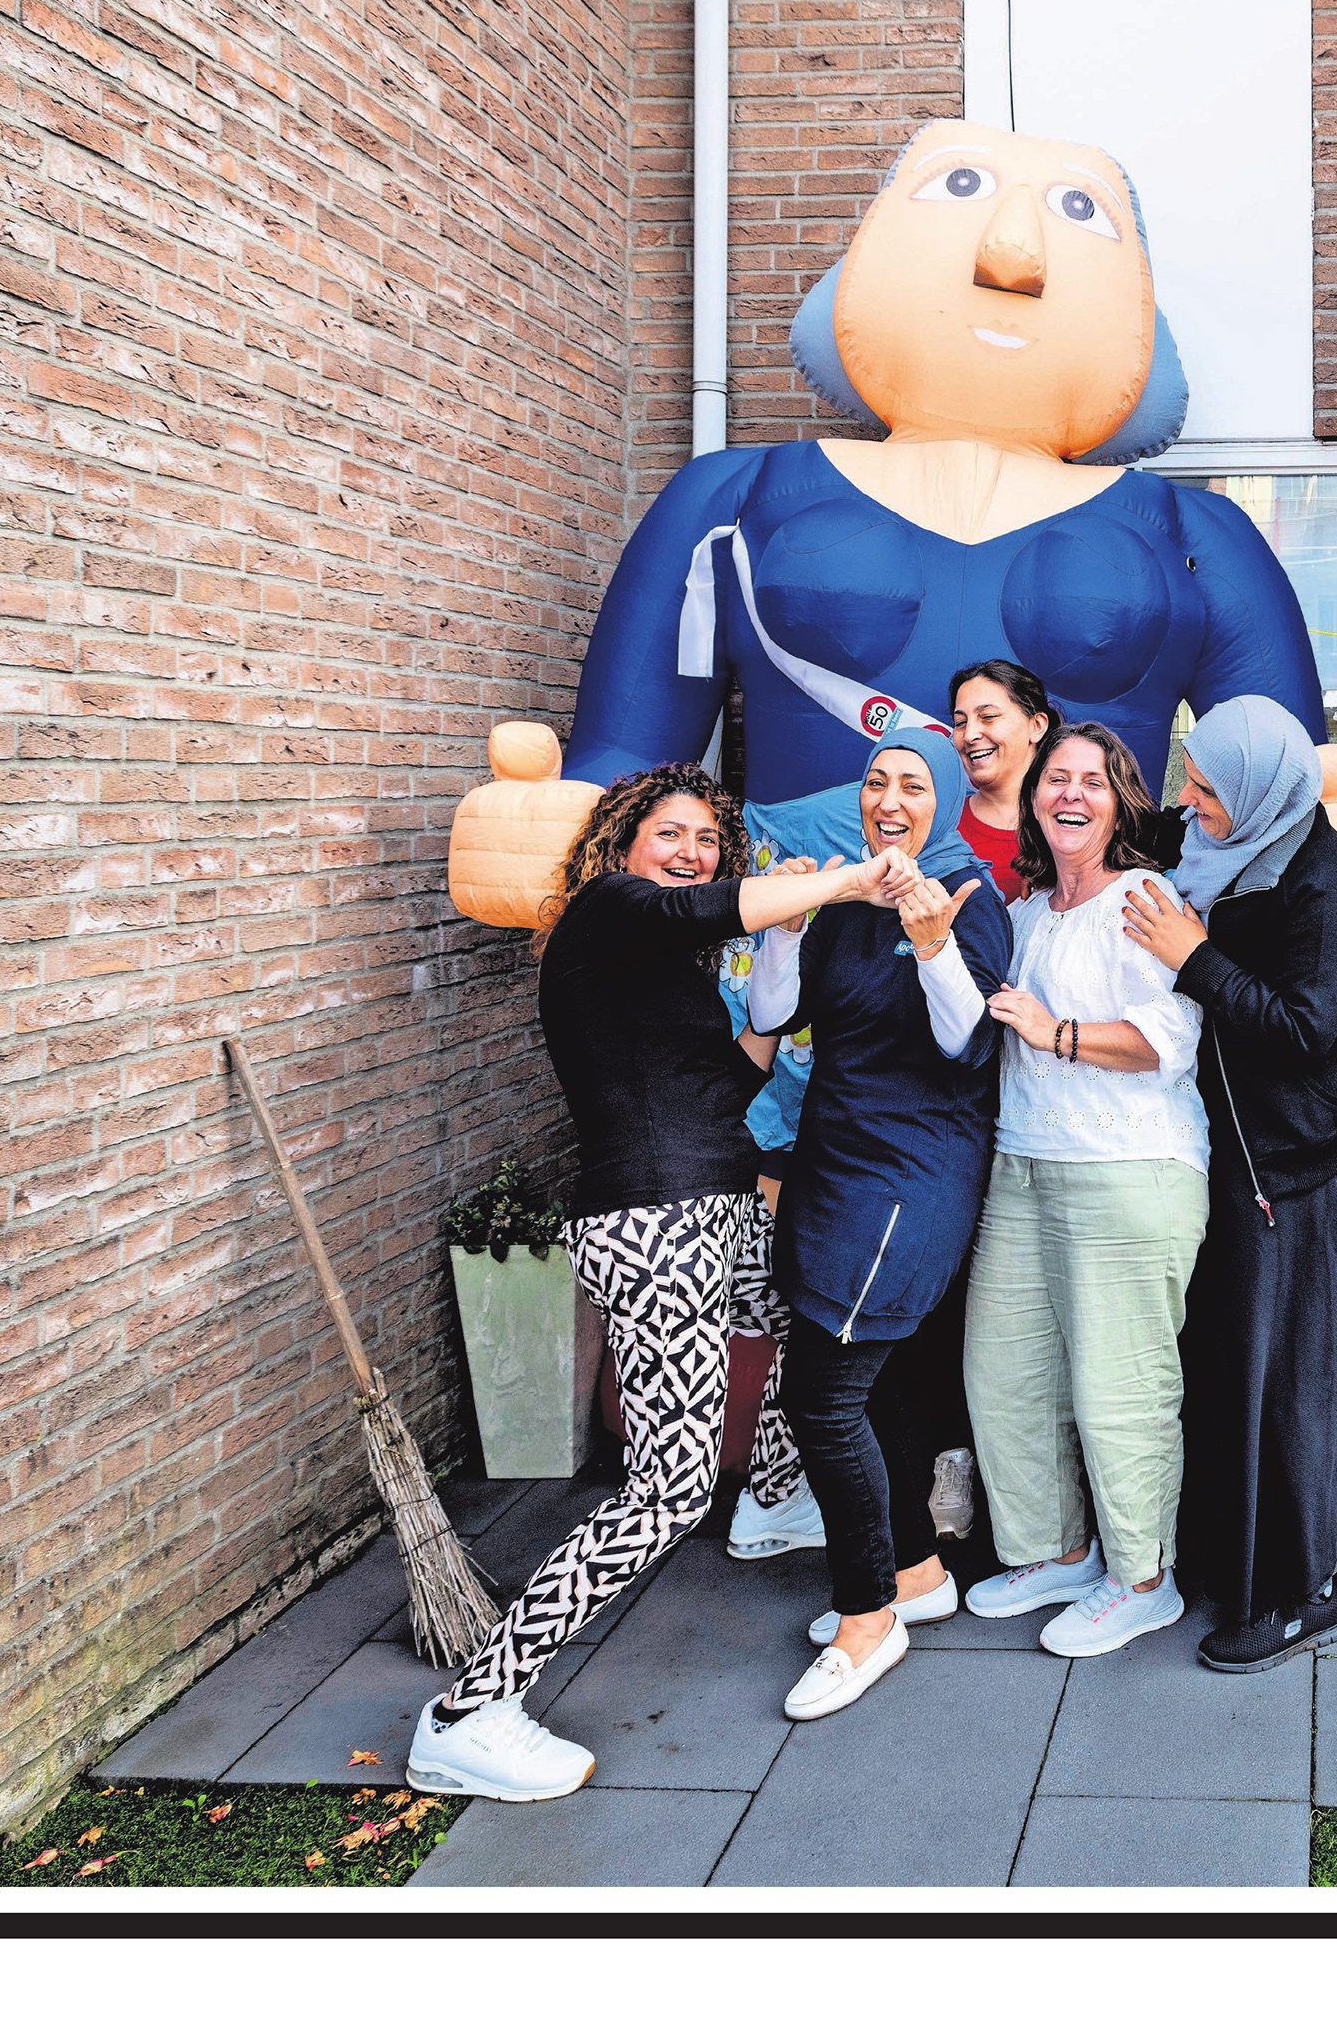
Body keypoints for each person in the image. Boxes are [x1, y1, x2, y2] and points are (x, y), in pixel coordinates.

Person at [406, 768, 910, 1802]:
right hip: (654, 1223)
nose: (692, 851)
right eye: (670, 833)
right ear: (623, 842)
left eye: (708, 838)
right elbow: (702, 908)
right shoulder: (608, 909)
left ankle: (775, 1497)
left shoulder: (662, 970)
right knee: (669, 1489)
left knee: (792, 1315)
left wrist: (785, 943)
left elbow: (734, 1079)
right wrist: (846, 881)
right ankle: (469, 1713)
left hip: (716, 1208)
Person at [1122, 696, 1337, 1671]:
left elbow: (1302, 1029)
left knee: (1288, 1377)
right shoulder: (1229, 842)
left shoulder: (1321, 883)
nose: (1189, 802)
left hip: (1289, 1160)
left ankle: (1304, 1589)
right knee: (1234, 1360)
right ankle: (1235, 1555)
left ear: (1259, 791)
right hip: (1230, 1147)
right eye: (1190, 779)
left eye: (1207, 788)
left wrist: (1192, 959)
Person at [755, 726, 1014, 1721]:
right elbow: (776, 1013)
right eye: (876, 781)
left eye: (913, 783)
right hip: (835, 1159)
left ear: (942, 798)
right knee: (883, 1384)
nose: (890, 799)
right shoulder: (847, 892)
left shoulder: (970, 897)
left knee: (823, 1396)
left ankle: (867, 1619)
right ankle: (913, 1570)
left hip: (911, 1171)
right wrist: (790, 922)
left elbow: (966, 1044)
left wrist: (932, 940)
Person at [958, 724, 1210, 1658]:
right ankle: (1058, 1551)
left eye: (1091, 781)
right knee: (1006, 1374)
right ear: (1032, 797)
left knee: (1119, 1388)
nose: (1070, 793)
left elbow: (1165, 1040)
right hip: (1023, 1164)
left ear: (1120, 800)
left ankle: (1143, 1578)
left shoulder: (1144, 898)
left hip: (1128, 1166)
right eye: (1055, 778)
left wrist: (1054, 1029)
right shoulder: (1025, 912)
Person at [947, 658, 1057, 876]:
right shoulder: (941, 828)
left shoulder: (1073, 821)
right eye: (960, 723)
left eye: (988, 717)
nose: (969, 735)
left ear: (1036, 726)